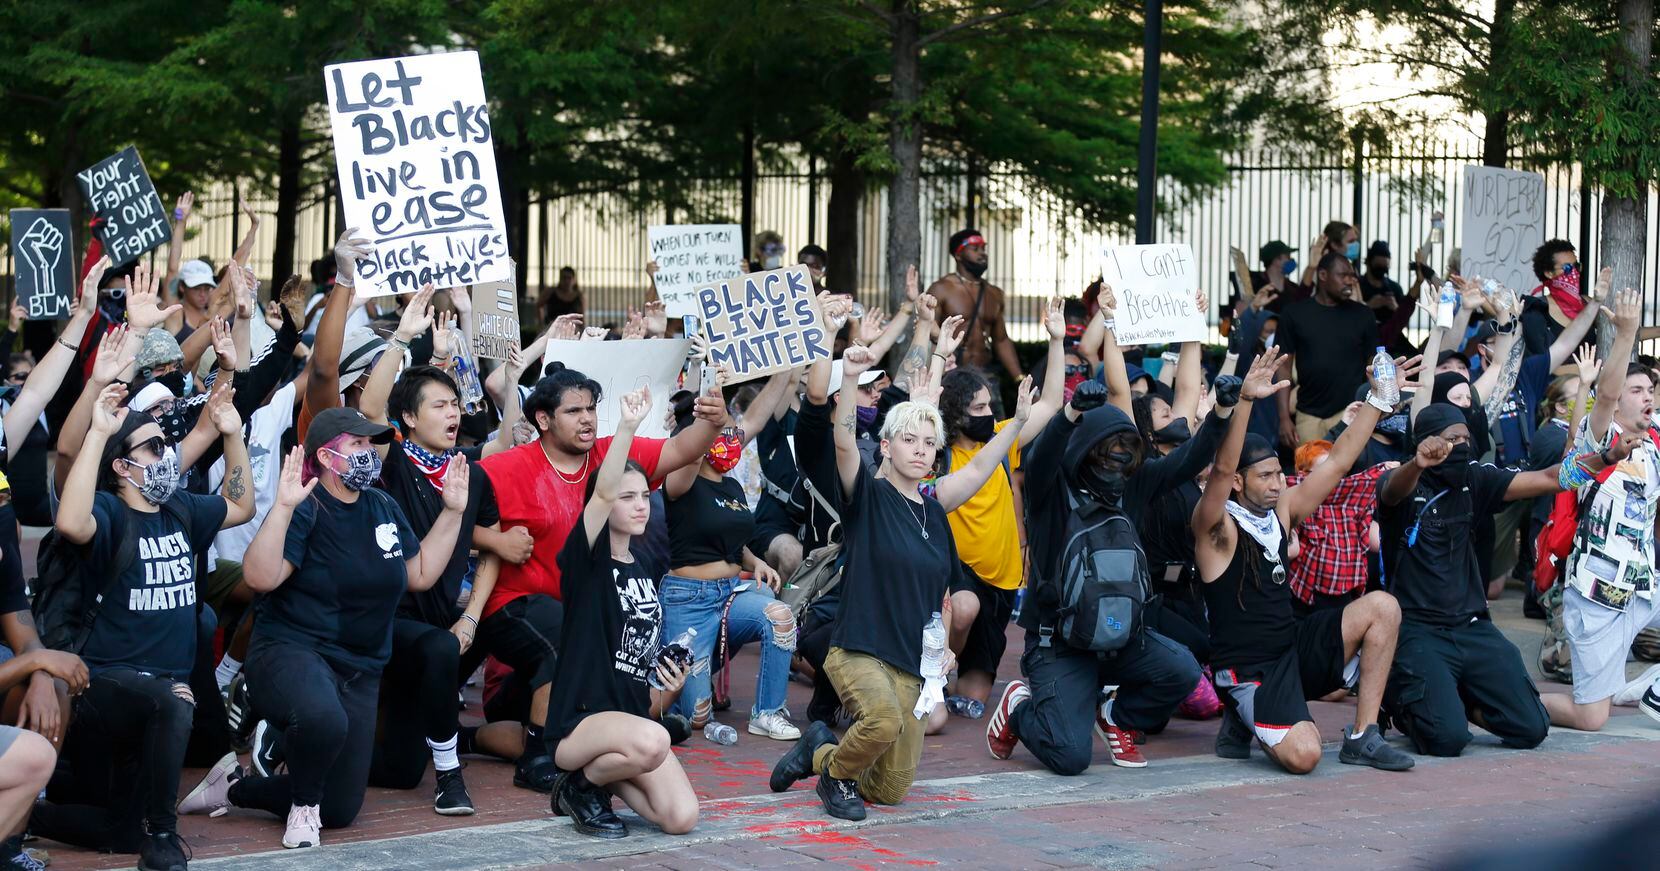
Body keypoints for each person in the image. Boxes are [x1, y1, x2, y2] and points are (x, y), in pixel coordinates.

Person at [179, 407, 470, 849]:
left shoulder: (382, 505)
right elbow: (259, 578)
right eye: (358, 444)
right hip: (290, 650)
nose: (369, 453)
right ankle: (301, 810)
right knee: (322, 719)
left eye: (372, 444)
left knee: (340, 807)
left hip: (360, 667)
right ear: (328, 456)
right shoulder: (307, 504)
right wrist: (282, 507)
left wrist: (452, 512)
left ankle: (235, 787)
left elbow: (421, 573)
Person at [473, 363, 723, 792]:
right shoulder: (508, 465)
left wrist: (712, 420)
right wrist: (494, 542)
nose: (587, 417)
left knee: (581, 709)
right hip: (516, 605)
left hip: (581, 625)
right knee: (564, 643)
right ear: (543, 419)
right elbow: (452, 517)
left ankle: (474, 736)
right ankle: (538, 761)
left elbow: (681, 449)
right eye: (574, 411)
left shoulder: (612, 454)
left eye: (591, 408)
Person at [34, 380, 252, 870]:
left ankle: (32, 815)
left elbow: (241, 506)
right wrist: (99, 432)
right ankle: (164, 839)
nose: (167, 454)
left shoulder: (179, 508)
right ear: (121, 466)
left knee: (120, 831)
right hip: (104, 684)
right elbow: (69, 521)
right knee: (174, 705)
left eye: (166, 445)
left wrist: (232, 434)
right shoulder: (108, 513)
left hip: (156, 695)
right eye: (153, 448)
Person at [768, 346, 978, 820]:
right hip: (858, 649)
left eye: (928, 443)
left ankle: (818, 753)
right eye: (909, 440)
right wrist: (851, 376)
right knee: (880, 721)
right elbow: (842, 442)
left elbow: (938, 598)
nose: (921, 449)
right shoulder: (867, 494)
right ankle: (836, 778)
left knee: (890, 788)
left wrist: (941, 648)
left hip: (911, 661)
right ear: (886, 446)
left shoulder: (934, 516)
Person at [1191, 348, 1415, 774]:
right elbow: (1220, 470)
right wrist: (1246, 402)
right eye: (1265, 477)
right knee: (1305, 755)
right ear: (1239, 482)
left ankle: (1362, 735)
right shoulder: (1215, 528)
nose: (1278, 484)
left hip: (1290, 647)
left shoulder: (1282, 510)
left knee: (1383, 607)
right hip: (1249, 668)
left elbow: (1340, 462)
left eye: (1279, 474)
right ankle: (1241, 715)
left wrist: (1379, 400)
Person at [1375, 402, 1573, 757]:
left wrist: (1604, 459)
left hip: (1472, 627)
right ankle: (1403, 703)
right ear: (1426, 442)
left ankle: (1454, 699)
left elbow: (1547, 478)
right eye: (1452, 438)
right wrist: (1417, 464)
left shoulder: (1474, 477)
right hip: (1419, 630)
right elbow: (1391, 492)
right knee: (1446, 740)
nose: (1462, 445)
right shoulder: (1402, 484)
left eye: (1466, 437)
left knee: (1531, 727)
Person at [545, 385, 698, 838]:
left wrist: (668, 678)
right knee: (656, 740)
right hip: (581, 723)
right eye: (626, 496)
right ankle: (580, 786)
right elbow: (601, 492)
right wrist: (628, 427)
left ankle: (589, 785)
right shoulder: (585, 559)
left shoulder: (647, 563)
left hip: (630, 723)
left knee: (681, 817)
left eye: (644, 496)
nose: (639, 504)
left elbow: (636, 654)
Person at [934, 297, 1066, 720]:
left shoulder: (1003, 439)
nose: (989, 415)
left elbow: (1049, 405)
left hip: (1004, 579)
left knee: (972, 701)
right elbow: (921, 403)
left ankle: (954, 678)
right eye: (978, 409)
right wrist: (937, 352)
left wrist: (1058, 340)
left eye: (991, 406)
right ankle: (933, 675)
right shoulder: (937, 453)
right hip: (958, 576)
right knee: (963, 609)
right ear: (955, 416)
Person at [1541, 290, 1660, 731]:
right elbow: (1605, 395)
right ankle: (1513, 693)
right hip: (1598, 597)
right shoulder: (1600, 436)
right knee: (1591, 718)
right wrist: (1625, 333)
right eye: (1637, 390)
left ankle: (1648, 689)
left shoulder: (1655, 439)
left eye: (1651, 390)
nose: (1647, 397)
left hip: (1644, 587)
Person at [660, 368, 799, 739]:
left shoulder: (733, 485)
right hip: (687, 602)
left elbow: (734, 543)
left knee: (780, 616)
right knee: (696, 718)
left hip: (728, 595)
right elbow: (701, 445)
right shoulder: (679, 478)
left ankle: (768, 713)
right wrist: (709, 406)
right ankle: (693, 680)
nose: (730, 438)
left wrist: (756, 563)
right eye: (720, 431)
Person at [1275, 252, 1380, 447]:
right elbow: (1283, 368)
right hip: (1307, 416)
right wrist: (1283, 417)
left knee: (1351, 475)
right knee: (1308, 474)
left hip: (1351, 411)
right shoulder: (1295, 314)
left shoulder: (1363, 315)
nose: (1350, 281)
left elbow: (1374, 367)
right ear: (1322, 275)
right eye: (1343, 275)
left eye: (1352, 275)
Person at [1285, 439, 1391, 614]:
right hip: (1309, 596)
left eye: (1336, 475)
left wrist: (1389, 475)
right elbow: (1291, 550)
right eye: (1323, 473)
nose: (1331, 481)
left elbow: (1378, 540)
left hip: (1346, 593)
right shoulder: (1297, 502)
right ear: (1303, 474)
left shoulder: (1349, 504)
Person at [928, 229, 1021, 383]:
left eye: (983, 248)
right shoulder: (942, 289)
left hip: (985, 376)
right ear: (958, 255)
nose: (982, 253)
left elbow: (1001, 340)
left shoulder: (994, 294)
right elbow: (928, 329)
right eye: (975, 249)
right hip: (950, 374)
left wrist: (1019, 378)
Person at [1358, 241, 1405, 323]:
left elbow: (1405, 322)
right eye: (1378, 267)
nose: (1381, 271)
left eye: (1385, 268)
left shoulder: (1395, 288)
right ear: (1369, 262)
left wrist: (1396, 308)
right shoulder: (1357, 285)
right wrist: (1368, 305)